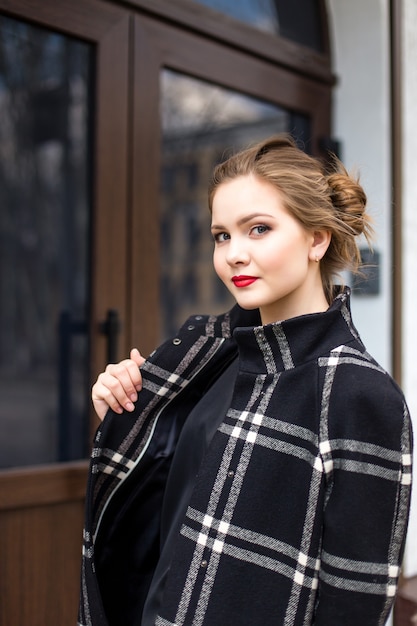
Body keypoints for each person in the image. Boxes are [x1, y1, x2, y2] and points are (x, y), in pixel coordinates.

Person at [79, 135, 413, 626]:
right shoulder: (204, 350)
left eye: (259, 229)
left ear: (316, 239)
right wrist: (126, 414)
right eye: (222, 235)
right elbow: (163, 515)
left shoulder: (357, 394)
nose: (234, 253)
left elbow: (355, 601)